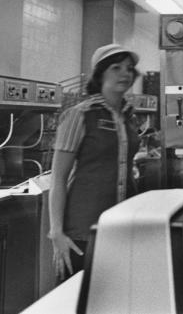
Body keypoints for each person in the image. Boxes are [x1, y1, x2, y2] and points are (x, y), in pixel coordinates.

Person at [48, 44, 141, 282]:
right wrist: (56, 233)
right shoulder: (80, 115)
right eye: (116, 68)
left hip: (121, 229)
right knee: (78, 299)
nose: (125, 73)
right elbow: (58, 177)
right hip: (82, 232)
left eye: (130, 69)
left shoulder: (129, 116)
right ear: (100, 74)